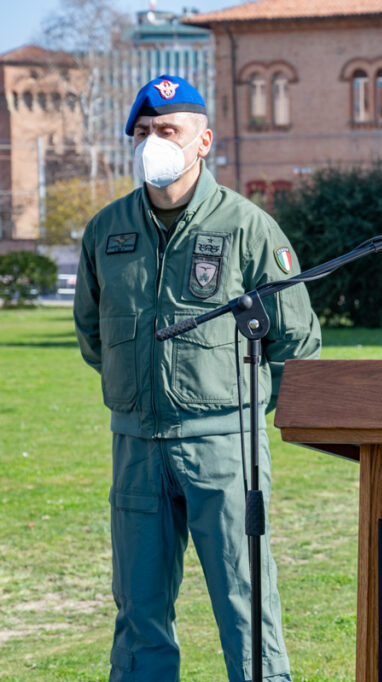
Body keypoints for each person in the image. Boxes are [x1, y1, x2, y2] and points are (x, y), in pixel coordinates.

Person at [73, 74, 321, 682]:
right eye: (142, 132)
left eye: (167, 130)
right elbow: (92, 334)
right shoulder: (106, 230)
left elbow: (296, 340)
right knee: (138, 611)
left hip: (224, 450)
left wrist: (243, 415)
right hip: (136, 446)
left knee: (245, 601)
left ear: (203, 141)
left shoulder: (246, 226)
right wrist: (139, 391)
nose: (152, 142)